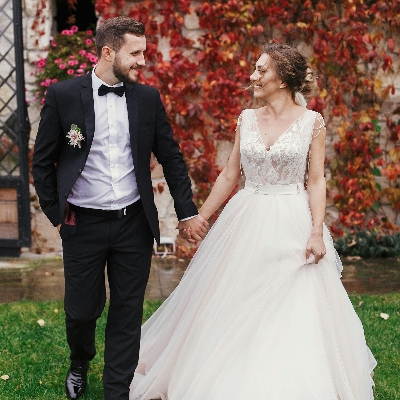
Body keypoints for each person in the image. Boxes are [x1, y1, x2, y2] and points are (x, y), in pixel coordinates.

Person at [129, 43, 377, 399]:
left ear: (284, 78)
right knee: (234, 296)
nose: (253, 76)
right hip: (245, 218)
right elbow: (230, 174)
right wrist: (200, 216)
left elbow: (315, 181)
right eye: (255, 69)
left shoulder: (312, 122)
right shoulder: (246, 118)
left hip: (293, 219)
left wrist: (315, 232)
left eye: (261, 70)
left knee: (294, 300)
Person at [32, 16, 208, 400]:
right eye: (136, 53)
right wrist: (56, 214)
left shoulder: (147, 99)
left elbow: (171, 158)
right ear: (108, 52)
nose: (143, 61)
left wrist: (186, 210)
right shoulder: (64, 96)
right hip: (82, 223)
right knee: (81, 310)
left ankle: (117, 390)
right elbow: (42, 162)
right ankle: (80, 360)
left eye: (144, 53)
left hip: (134, 223)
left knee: (127, 310)